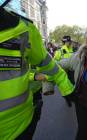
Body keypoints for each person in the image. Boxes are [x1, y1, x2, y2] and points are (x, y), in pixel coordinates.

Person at [0, 1, 74, 139]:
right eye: (66, 41)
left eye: (68, 41)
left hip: (21, 124)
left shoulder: (25, 31)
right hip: (34, 87)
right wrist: (35, 76)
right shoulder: (58, 51)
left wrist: (66, 88)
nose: (68, 43)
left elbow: (49, 64)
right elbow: (52, 61)